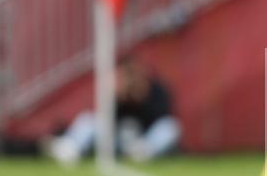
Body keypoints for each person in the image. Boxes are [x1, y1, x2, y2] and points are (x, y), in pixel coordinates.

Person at [46, 57, 180, 165]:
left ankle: (142, 154)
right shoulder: (119, 95)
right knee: (88, 119)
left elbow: (162, 119)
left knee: (170, 128)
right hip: (120, 140)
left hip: (144, 141)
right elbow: (109, 119)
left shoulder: (157, 91)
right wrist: (121, 97)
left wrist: (140, 98)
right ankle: (70, 147)